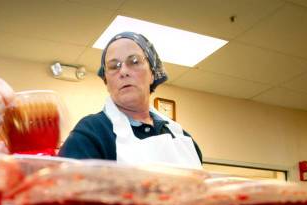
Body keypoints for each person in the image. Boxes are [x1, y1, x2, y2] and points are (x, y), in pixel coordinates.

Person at [59, 32, 202, 169]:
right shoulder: (92, 132)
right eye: (114, 66)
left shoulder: (183, 140)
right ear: (106, 82)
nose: (123, 72)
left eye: (134, 61)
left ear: (152, 74)